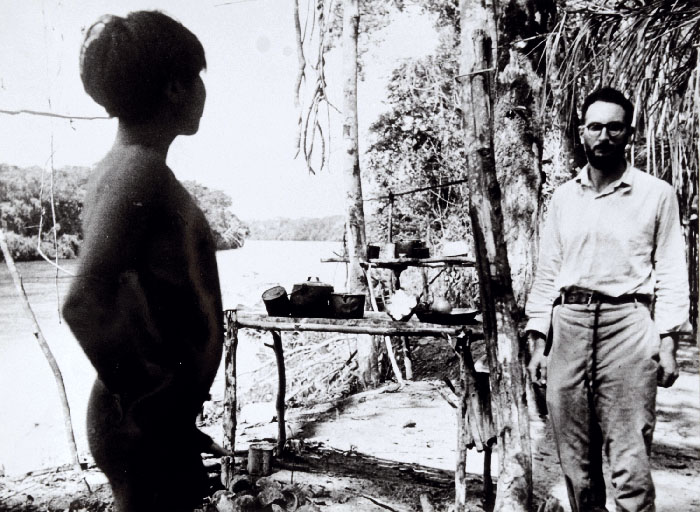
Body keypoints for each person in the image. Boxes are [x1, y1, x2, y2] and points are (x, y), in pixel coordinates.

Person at [62, 11, 229, 512]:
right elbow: (83, 302)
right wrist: (145, 399)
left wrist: (172, 413)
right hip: (134, 418)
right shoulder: (136, 171)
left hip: (148, 416)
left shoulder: (139, 168)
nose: (203, 91)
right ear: (175, 87)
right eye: (197, 77)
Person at [526, 87, 690, 512]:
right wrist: (539, 343)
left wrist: (668, 343)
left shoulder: (656, 194)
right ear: (582, 132)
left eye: (614, 128)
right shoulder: (563, 198)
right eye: (595, 127)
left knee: (630, 459)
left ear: (629, 134)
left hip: (628, 325)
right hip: (569, 325)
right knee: (575, 462)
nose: (604, 136)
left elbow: (672, 271)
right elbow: (548, 273)